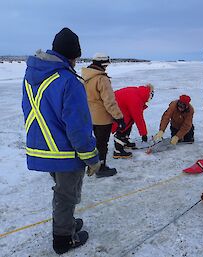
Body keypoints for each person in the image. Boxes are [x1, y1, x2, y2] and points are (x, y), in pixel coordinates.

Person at [22, 28, 101, 254]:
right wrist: (92, 159)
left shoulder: (30, 76)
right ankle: (63, 239)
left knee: (62, 192)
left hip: (42, 147)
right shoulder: (69, 81)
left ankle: (65, 224)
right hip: (65, 152)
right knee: (66, 195)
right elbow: (78, 129)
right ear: (72, 56)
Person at [82, 53, 125, 177]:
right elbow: (109, 101)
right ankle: (101, 168)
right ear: (104, 64)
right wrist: (119, 117)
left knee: (92, 143)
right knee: (102, 144)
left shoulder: (84, 75)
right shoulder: (101, 78)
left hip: (88, 117)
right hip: (102, 119)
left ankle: (91, 164)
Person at [112, 84, 154, 158]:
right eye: (151, 97)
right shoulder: (136, 100)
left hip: (119, 106)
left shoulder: (138, 92)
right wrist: (144, 134)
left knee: (129, 122)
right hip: (116, 109)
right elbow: (138, 118)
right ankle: (118, 151)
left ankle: (125, 142)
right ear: (149, 95)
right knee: (123, 127)